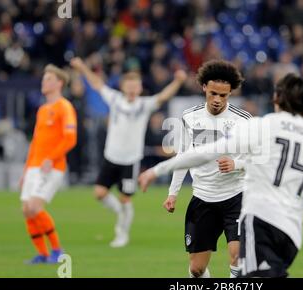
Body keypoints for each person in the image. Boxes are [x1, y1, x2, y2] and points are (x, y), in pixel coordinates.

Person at [139, 73, 303, 277]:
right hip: (291, 235)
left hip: (260, 224)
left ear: (276, 100)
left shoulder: (260, 126)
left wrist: (156, 170)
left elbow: (206, 151)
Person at [70, 57, 187, 247]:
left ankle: (122, 233)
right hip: (111, 157)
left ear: (140, 88)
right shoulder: (115, 99)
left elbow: (164, 96)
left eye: (136, 86)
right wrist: (83, 67)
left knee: (126, 199)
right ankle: (120, 213)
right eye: (129, 85)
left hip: (130, 160)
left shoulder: (144, 104)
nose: (132, 89)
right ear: (123, 87)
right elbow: (97, 83)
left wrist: (178, 81)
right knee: (99, 193)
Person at [164, 60, 251, 278]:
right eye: (213, 93)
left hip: (236, 196)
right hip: (203, 197)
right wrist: (173, 193)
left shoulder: (245, 121)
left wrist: (237, 164)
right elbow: (183, 157)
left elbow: (260, 161)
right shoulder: (189, 117)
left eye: (223, 95)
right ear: (204, 87)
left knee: (237, 255)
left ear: (231, 93)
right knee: (196, 269)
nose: (217, 100)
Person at [21, 64, 77, 264]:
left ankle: (57, 250)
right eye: (44, 79)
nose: (43, 82)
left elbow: (70, 139)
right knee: (27, 209)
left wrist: (51, 158)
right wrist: (26, 170)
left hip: (52, 167)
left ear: (59, 83)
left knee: (35, 207)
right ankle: (43, 254)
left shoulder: (64, 107)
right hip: (35, 166)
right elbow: (35, 142)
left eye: (48, 79)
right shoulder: (43, 109)